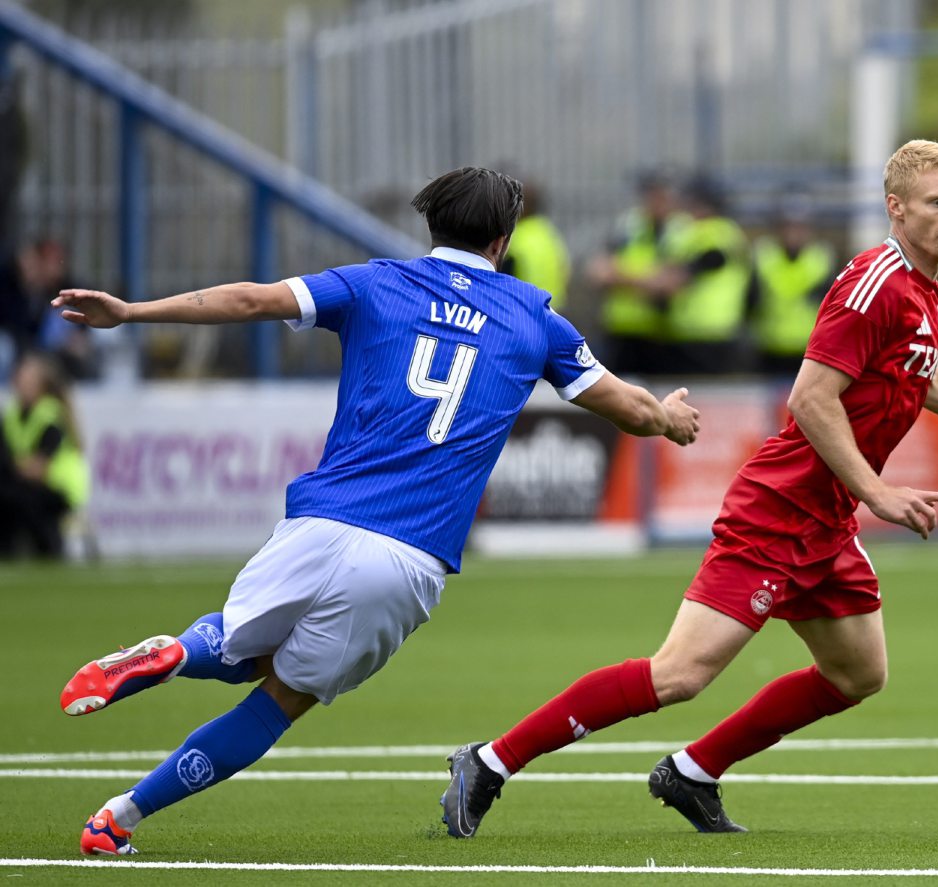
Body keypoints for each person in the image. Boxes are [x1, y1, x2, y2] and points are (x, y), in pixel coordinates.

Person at [440, 140, 938, 837]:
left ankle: (693, 772)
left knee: (858, 672)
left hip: (826, 518)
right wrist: (876, 490)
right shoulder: (875, 283)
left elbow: (922, 370)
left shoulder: (923, 285)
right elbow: (811, 399)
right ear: (896, 208)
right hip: (779, 510)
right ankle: (489, 761)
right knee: (679, 674)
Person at [49, 167, 701, 856]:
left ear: (432, 226)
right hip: (408, 556)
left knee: (234, 647)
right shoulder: (535, 319)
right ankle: (118, 817)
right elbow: (629, 408)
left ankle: (176, 651)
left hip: (322, 520)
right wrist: (669, 417)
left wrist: (131, 313)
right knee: (279, 697)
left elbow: (249, 301)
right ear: (503, 240)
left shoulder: (370, 283)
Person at [587, 169, 686, 376]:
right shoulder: (629, 225)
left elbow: (670, 283)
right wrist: (648, 281)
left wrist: (621, 277)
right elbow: (598, 271)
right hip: (620, 331)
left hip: (663, 334)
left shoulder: (681, 230)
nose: (656, 201)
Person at [649, 176, 751, 375]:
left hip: (712, 337)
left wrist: (625, 277)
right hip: (685, 334)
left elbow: (688, 271)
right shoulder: (688, 232)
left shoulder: (721, 232)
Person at [0, 351, 88, 558]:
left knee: (20, 500)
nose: (21, 384)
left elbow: (39, 468)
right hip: (29, 484)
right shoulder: (13, 414)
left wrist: (13, 466)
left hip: (60, 487)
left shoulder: (50, 414)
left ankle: (48, 550)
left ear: (41, 384)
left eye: (27, 379)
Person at [748, 193, 835, 378]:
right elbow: (750, 302)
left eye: (800, 227)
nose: (793, 233)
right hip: (769, 349)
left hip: (812, 353)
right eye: (787, 227)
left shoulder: (823, 258)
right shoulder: (763, 255)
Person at [498, 177, 571, 311]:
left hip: (523, 312)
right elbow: (564, 269)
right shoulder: (549, 232)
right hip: (553, 313)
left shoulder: (514, 239)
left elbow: (502, 281)